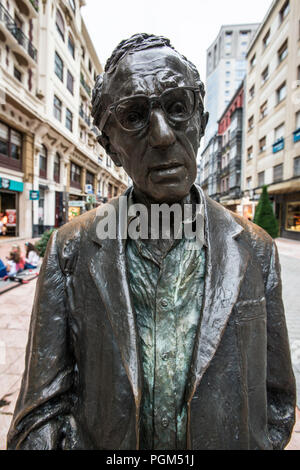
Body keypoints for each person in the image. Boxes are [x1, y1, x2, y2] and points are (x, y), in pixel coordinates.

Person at [7, 34, 296, 450]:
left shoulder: (256, 247)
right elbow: (37, 416)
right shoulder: (70, 249)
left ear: (200, 121)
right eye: (134, 117)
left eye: (178, 108)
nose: (162, 136)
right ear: (110, 148)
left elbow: (279, 402)